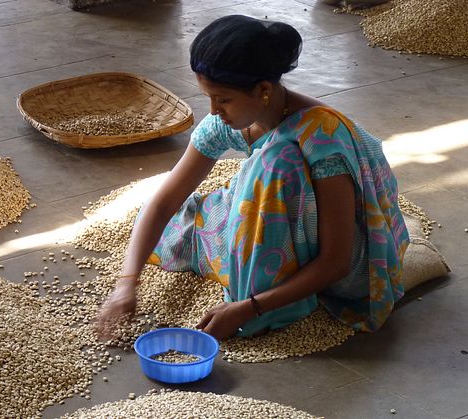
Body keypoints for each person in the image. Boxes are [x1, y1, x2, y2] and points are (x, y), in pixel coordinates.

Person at [96, 15, 409, 341]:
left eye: (223, 99)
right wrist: (125, 285)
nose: (214, 110)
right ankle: (262, 272)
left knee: (273, 164)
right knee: (183, 219)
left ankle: (276, 298)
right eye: (209, 98)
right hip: (295, 230)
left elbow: (337, 261)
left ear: (263, 91)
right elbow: (163, 204)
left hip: (351, 263)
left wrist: (249, 307)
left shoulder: (321, 138)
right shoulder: (225, 123)